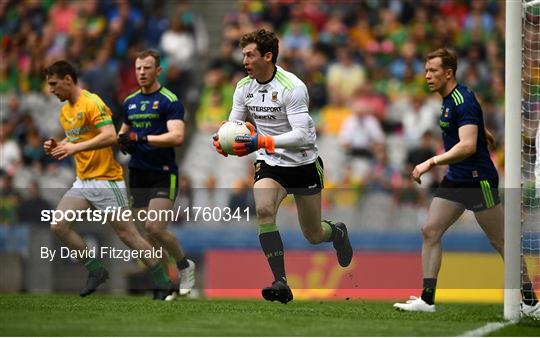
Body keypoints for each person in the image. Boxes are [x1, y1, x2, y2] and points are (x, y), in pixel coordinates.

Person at [393, 48, 539, 317]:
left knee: (501, 241)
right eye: (426, 70)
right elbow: (470, 130)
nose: (427, 76)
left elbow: (468, 146)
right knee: (430, 230)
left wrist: (430, 162)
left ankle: (530, 301)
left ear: (448, 73)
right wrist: (484, 132)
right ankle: (427, 299)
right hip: (457, 179)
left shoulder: (462, 99)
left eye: (433, 71)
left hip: (477, 180)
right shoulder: (448, 100)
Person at [212, 29, 352, 304]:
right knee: (263, 210)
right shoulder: (243, 87)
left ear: (268, 56)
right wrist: (222, 140)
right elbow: (233, 126)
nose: (244, 61)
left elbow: (302, 135)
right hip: (270, 163)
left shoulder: (293, 87)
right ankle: (281, 282)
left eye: (250, 55)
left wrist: (261, 140)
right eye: (243, 55)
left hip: (303, 163)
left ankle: (337, 232)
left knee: (312, 234)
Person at [43, 60, 175, 300]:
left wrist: (75, 147)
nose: (51, 90)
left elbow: (110, 136)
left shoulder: (92, 102)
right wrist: (57, 146)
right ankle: (96, 270)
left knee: (129, 237)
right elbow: (77, 141)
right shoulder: (66, 111)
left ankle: (163, 281)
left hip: (107, 181)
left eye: (54, 84)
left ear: (68, 80)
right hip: (83, 182)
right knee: (58, 225)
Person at [118, 49, 195, 299]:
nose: (142, 73)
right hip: (138, 174)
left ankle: (184, 265)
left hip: (163, 172)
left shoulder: (169, 100)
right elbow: (123, 133)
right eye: (139, 68)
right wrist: (124, 141)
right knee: (148, 235)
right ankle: (166, 283)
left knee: (154, 227)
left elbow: (177, 136)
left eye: (147, 68)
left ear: (158, 70)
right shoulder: (130, 102)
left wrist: (140, 137)